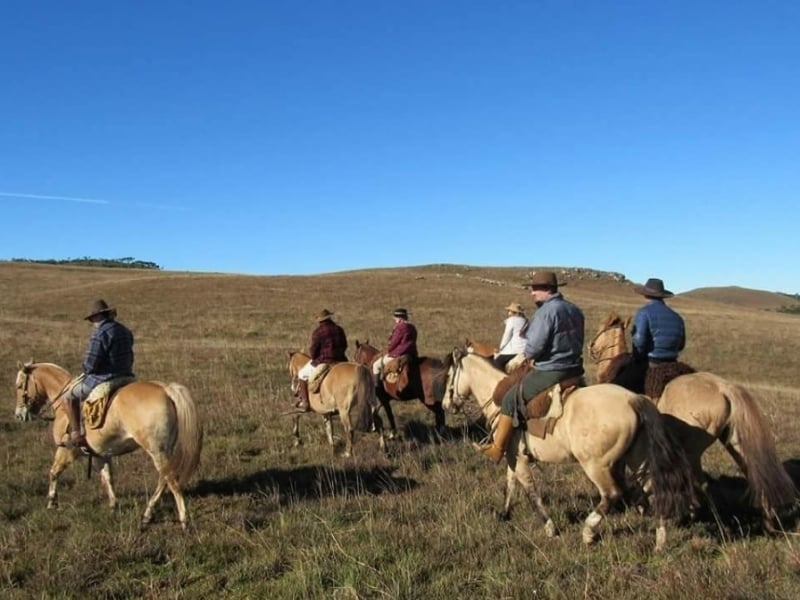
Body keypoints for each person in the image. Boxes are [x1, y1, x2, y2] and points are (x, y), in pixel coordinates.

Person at [477, 271, 584, 463]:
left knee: (510, 399)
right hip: (575, 369)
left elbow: (534, 346)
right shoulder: (575, 309)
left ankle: (497, 448)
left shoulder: (546, 312)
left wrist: (525, 357)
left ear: (547, 290)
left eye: (535, 289)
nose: (532, 293)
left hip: (551, 370)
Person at [64, 299, 135, 451]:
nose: (92, 322)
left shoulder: (100, 333)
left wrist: (86, 370)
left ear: (97, 317)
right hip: (127, 376)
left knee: (69, 396)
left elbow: (91, 363)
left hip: (104, 379)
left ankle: (77, 435)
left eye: (92, 319)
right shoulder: (124, 330)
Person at [630, 278, 686, 396]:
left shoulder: (644, 313)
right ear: (662, 296)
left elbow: (639, 341)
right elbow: (681, 345)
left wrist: (637, 358)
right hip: (673, 362)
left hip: (652, 363)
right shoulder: (677, 316)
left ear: (646, 295)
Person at [295, 309, 348, 411]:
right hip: (341, 360)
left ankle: (305, 403)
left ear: (319, 320)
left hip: (324, 361)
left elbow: (313, 351)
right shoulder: (339, 329)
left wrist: (316, 357)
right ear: (329, 318)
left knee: (302, 375)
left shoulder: (318, 332)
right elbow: (345, 345)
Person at [372, 308, 418, 382]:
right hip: (412, 353)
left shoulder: (400, 328)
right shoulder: (412, 327)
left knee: (376, 365)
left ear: (399, 319)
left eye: (395, 319)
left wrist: (389, 350)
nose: (395, 321)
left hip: (399, 353)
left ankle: (377, 388)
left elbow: (394, 342)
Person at [491, 302, 528, 371]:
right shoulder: (525, 321)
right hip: (526, 348)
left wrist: (501, 347)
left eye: (509, 311)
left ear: (512, 312)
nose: (508, 313)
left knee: (497, 362)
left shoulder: (512, 321)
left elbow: (507, 335)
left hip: (515, 349)